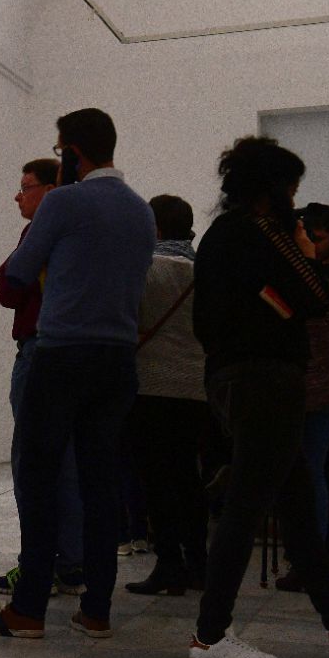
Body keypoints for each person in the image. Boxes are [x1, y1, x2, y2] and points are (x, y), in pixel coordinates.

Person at [187, 137, 329, 658]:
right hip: (264, 381)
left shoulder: (225, 234)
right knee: (246, 505)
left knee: (295, 506)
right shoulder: (261, 233)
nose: (295, 200)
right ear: (271, 188)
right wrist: (304, 252)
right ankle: (210, 635)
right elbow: (316, 297)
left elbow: (252, 309)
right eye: (291, 189)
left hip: (242, 378)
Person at [0, 108, 155, 639]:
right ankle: (97, 608)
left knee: (38, 477)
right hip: (118, 359)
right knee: (100, 483)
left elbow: (18, 276)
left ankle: (28, 608)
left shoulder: (65, 202)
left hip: (63, 353)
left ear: (72, 153)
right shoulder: (141, 211)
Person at [0, 158, 87, 598]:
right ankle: (71, 563)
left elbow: (9, 288)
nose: (17, 196)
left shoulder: (41, 232)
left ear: (50, 190)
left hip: (40, 351)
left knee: (32, 462)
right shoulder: (86, 234)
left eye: (25, 187)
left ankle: (37, 567)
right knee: (69, 463)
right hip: (83, 355)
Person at [123, 195, 209, 596]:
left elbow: (131, 319)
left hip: (151, 384)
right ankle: (199, 563)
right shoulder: (205, 271)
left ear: (154, 227)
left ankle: (169, 563)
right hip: (195, 387)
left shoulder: (145, 268)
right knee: (189, 476)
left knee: (156, 479)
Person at [275, 203, 329, 593]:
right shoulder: (328, 286)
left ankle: (300, 556)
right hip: (323, 386)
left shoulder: (280, 283)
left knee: (290, 474)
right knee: (314, 473)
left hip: (288, 387)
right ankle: (311, 557)